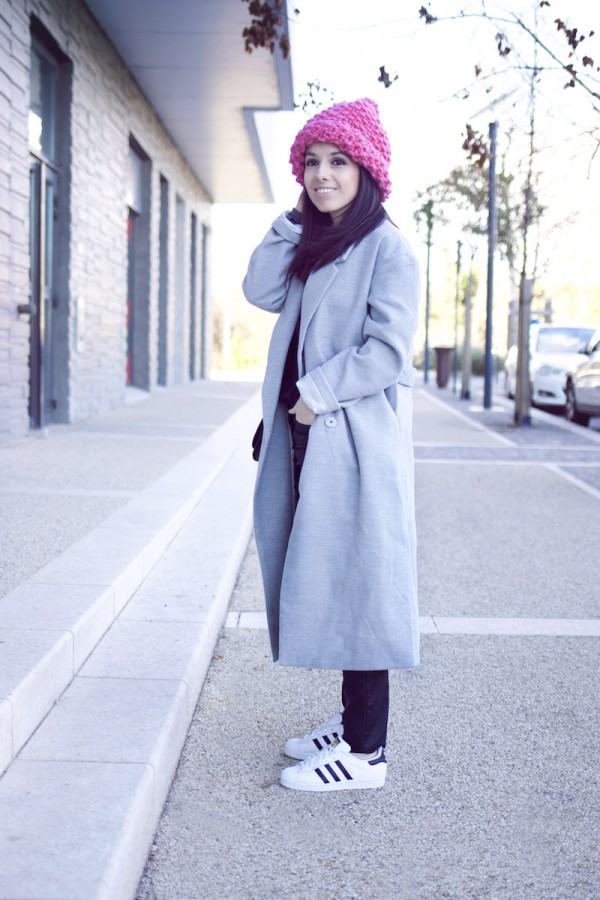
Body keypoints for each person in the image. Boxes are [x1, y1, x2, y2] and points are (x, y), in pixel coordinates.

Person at [242, 98, 420, 792]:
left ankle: (367, 755)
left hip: (350, 440)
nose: (322, 175)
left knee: (362, 583)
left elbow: (388, 352)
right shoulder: (317, 242)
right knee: (337, 577)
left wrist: (314, 394)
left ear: (366, 170)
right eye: (311, 162)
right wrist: (292, 222)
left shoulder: (387, 248)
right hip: (306, 435)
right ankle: (349, 728)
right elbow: (259, 290)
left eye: (338, 161)